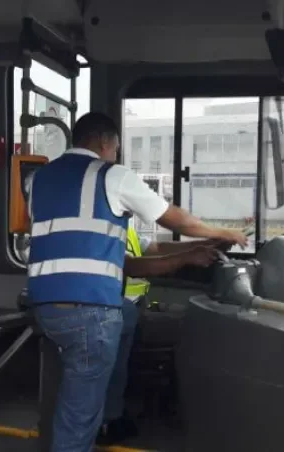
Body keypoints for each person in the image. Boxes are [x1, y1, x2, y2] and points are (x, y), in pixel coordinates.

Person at [26, 111, 248, 452]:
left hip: (45, 308)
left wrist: (190, 254)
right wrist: (223, 231)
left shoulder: (41, 180)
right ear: (105, 143)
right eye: (116, 148)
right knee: (78, 419)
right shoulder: (110, 176)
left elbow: (127, 259)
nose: (116, 155)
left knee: (91, 379)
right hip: (90, 313)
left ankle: (104, 417)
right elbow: (172, 217)